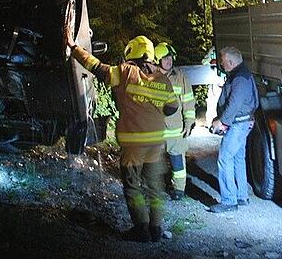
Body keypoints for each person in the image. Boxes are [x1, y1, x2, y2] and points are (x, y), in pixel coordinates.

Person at [66, 34, 178, 243]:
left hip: (133, 143)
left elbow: (98, 68)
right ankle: (156, 229)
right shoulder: (162, 79)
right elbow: (172, 108)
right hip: (156, 144)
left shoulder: (126, 72)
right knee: (155, 187)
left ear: (131, 52)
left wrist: (74, 48)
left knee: (133, 186)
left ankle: (141, 229)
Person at [208, 46, 259, 213]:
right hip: (241, 123)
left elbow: (234, 104)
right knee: (238, 159)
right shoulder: (241, 75)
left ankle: (229, 200)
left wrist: (222, 122)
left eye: (223, 62)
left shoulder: (239, 79)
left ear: (230, 61)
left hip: (237, 124)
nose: (222, 65)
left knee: (224, 158)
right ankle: (241, 196)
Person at [155, 41, 196, 200]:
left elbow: (188, 100)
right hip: (155, 129)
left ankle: (179, 190)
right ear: (158, 60)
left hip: (175, 129)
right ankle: (155, 188)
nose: (169, 61)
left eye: (170, 58)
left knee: (178, 162)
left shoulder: (180, 77)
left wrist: (189, 121)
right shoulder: (150, 77)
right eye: (165, 58)